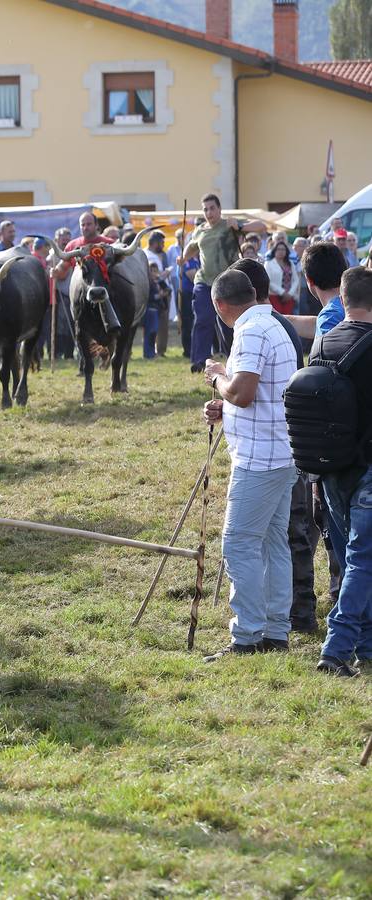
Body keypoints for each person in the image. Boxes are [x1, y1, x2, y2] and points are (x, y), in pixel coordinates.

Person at [201, 270, 299, 661]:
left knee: (238, 542)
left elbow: (242, 392)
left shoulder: (250, 330)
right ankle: (276, 631)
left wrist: (218, 378)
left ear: (220, 306)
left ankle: (247, 636)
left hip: (260, 460)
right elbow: (263, 395)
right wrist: (224, 406)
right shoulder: (272, 323)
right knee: (274, 543)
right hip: (280, 452)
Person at [311, 267, 372, 677]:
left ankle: (367, 645)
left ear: (343, 300)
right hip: (368, 467)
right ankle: (336, 650)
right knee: (364, 559)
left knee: (356, 561)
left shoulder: (323, 343)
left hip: (331, 471)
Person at [183, 194, 267, 372]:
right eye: (205, 209)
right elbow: (190, 248)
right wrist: (182, 258)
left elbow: (262, 226)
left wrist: (240, 226)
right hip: (204, 281)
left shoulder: (229, 224)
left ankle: (234, 358)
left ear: (219, 209)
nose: (209, 212)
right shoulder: (199, 230)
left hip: (227, 282)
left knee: (230, 323)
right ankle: (199, 362)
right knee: (203, 320)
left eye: (212, 208)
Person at [286, 241, 348, 341]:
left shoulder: (329, 317)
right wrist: (276, 317)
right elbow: (316, 324)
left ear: (309, 281)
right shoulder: (355, 305)